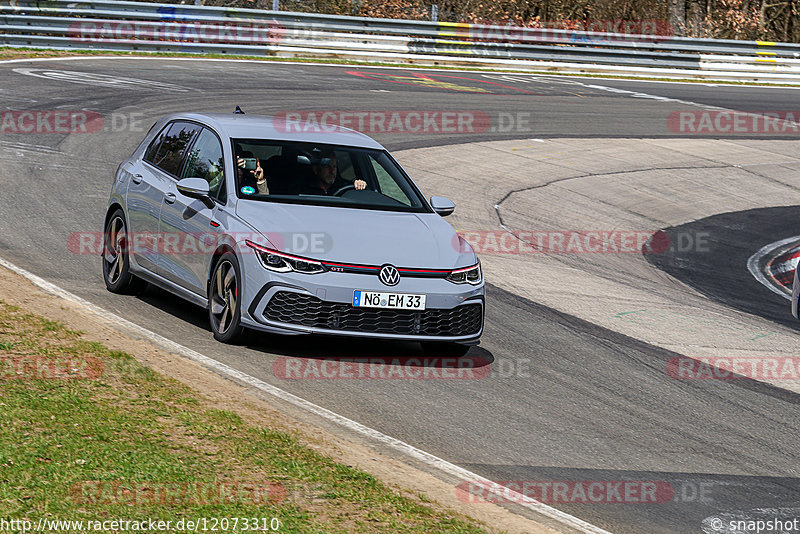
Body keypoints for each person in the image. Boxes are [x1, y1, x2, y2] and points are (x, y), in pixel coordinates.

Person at [302, 150, 366, 195]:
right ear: (316, 169)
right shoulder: (303, 191)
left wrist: (359, 184)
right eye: (327, 166)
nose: (332, 170)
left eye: (334, 166)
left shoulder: (344, 188)